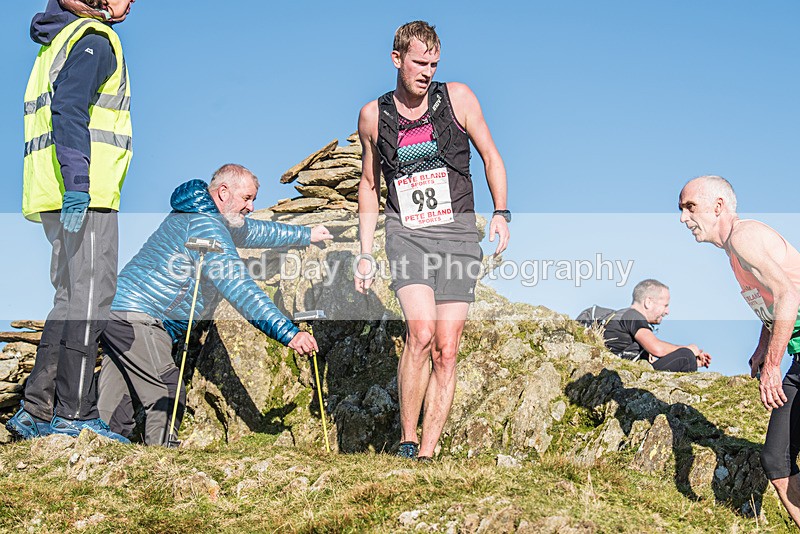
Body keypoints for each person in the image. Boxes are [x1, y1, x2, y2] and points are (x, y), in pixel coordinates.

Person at [354, 21, 510, 461]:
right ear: (397, 58)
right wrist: (365, 254)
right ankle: (406, 440)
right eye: (419, 62)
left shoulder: (457, 97)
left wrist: (501, 212)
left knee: (447, 347)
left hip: (458, 233)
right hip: (407, 233)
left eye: (434, 63)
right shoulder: (373, 115)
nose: (426, 71)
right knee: (420, 334)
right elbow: (369, 184)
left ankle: (428, 451)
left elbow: (491, 155)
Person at [96, 164, 332, 445]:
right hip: (141, 317)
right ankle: (162, 463)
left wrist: (305, 235)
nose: (251, 207)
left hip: (118, 311)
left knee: (117, 403)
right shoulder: (205, 225)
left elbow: (254, 232)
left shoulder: (202, 216)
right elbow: (239, 288)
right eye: (247, 198)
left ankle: (96, 459)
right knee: (167, 390)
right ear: (223, 192)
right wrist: (289, 333)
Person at [8, 0, 136, 442]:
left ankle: (36, 411)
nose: (131, 3)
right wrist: (80, 183)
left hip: (53, 191)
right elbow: (70, 109)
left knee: (68, 299)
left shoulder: (56, 39)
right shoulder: (94, 39)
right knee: (90, 300)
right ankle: (75, 414)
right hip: (86, 192)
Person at [679, 175, 800, 526]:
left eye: (690, 207)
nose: (683, 218)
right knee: (776, 460)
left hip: (789, 361)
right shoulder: (735, 252)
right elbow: (775, 303)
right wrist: (763, 348)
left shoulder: (744, 237)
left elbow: (788, 296)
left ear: (718, 207)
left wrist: (773, 365)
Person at [602, 279, 711, 372]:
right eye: (665, 305)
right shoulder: (633, 316)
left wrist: (692, 361)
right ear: (648, 302)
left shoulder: (626, 316)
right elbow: (657, 348)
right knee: (685, 355)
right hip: (628, 376)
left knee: (687, 358)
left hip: (625, 371)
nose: (667, 311)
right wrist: (689, 349)